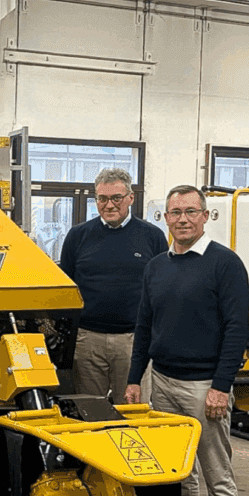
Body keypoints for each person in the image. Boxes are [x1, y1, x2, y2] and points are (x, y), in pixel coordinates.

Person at [124, 184, 249, 496]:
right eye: (175, 212)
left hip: (203, 387)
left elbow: (237, 331)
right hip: (163, 382)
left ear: (205, 216)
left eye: (191, 211)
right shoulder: (157, 266)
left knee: (218, 478)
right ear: (165, 218)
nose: (182, 219)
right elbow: (145, 326)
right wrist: (133, 378)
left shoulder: (225, 264)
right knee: (179, 474)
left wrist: (221, 386)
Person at [59, 168, 167, 404]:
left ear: (130, 198)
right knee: (89, 410)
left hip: (133, 341)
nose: (109, 205)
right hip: (88, 340)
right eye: (102, 199)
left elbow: (162, 291)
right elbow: (65, 287)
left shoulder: (153, 236)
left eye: (116, 198)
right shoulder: (78, 236)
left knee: (132, 410)